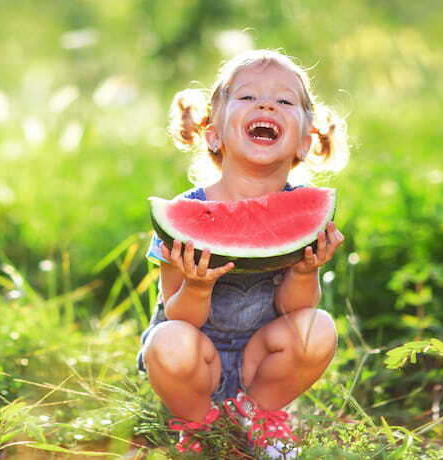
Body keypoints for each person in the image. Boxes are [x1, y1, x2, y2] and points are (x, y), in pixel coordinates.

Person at [137, 49, 349, 457]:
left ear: (305, 142)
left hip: (261, 362)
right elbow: (177, 313)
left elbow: (295, 311)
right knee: (168, 341)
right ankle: (200, 429)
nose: (267, 104)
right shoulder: (183, 212)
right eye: (248, 97)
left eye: (285, 101)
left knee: (316, 327)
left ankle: (258, 419)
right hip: (196, 363)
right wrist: (197, 286)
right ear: (213, 132)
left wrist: (305, 272)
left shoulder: (305, 212)